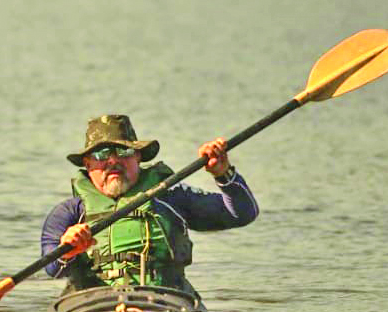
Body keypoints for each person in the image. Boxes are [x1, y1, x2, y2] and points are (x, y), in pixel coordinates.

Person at [41, 114, 258, 296]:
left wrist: (223, 174)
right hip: (92, 306)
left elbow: (242, 213)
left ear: (138, 157)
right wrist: (66, 251)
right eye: (102, 154)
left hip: (166, 303)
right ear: (87, 164)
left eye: (123, 152)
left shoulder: (171, 196)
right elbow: (52, 269)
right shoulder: (69, 213)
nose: (113, 161)